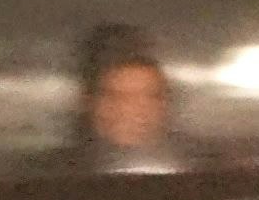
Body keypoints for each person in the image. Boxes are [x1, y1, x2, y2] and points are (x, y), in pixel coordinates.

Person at [69, 22, 186, 174]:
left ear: (166, 103)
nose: (130, 110)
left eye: (149, 97)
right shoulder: (51, 176)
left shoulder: (204, 168)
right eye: (114, 96)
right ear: (88, 102)